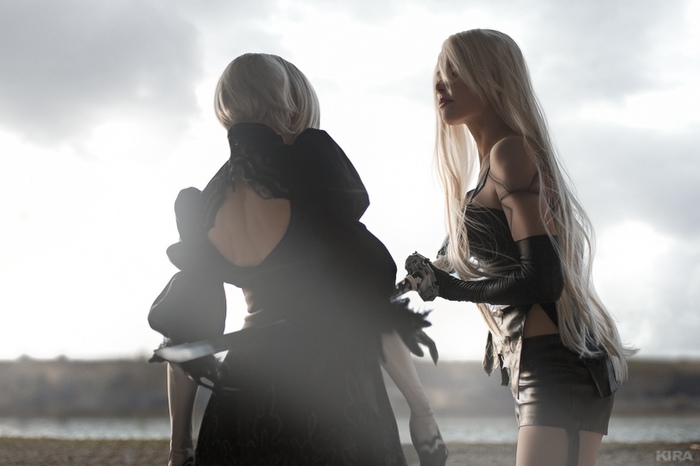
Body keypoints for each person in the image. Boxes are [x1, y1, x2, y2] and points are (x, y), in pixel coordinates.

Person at [148, 53, 447, 466]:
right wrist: (422, 412)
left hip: (243, 396)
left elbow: (185, 334)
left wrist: (179, 445)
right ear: (290, 107)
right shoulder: (311, 175)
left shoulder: (204, 205)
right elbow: (370, 307)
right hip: (331, 390)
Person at [402, 30, 636, 466]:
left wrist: (453, 289)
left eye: (456, 72)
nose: (440, 83)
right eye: (439, 72)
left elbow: (543, 279)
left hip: (559, 364)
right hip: (538, 363)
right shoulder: (492, 165)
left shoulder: (511, 154)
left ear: (493, 79)